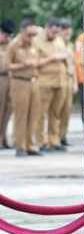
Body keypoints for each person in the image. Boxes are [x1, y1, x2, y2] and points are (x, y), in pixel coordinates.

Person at [7, 20, 42, 156]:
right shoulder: (14, 45)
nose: (31, 37)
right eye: (29, 34)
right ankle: (20, 146)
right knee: (21, 115)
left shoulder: (33, 44)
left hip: (33, 82)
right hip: (19, 82)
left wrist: (35, 63)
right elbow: (7, 66)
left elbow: (38, 60)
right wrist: (24, 65)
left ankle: (30, 145)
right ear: (22, 31)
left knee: (34, 115)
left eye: (33, 35)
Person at [34, 18, 70, 151]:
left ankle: (54, 141)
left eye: (57, 33)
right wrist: (52, 58)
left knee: (56, 113)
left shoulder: (59, 40)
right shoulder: (37, 41)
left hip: (60, 82)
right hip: (44, 82)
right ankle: (41, 141)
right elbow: (35, 62)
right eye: (53, 32)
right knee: (41, 113)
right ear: (47, 28)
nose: (55, 35)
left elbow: (66, 56)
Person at [58, 19, 75, 147]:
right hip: (59, 80)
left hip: (69, 79)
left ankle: (63, 136)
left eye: (69, 30)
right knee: (57, 110)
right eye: (65, 30)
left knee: (66, 110)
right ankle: (54, 138)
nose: (67, 32)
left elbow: (73, 64)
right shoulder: (57, 44)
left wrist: (74, 82)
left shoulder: (70, 45)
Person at [0, 19, 14, 149]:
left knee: (7, 111)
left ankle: (3, 138)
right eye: (5, 35)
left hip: (9, 79)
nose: (7, 38)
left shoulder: (10, 44)